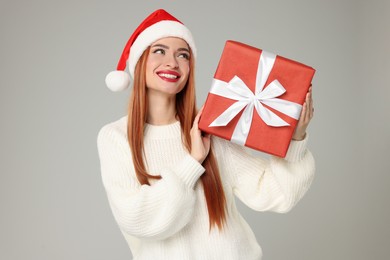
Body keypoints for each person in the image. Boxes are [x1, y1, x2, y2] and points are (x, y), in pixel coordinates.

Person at [98, 9, 315, 260]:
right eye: (159, 50)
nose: (172, 62)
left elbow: (275, 193)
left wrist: (296, 137)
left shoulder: (211, 124)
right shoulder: (115, 137)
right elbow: (139, 219)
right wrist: (192, 163)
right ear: (139, 61)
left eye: (183, 55)